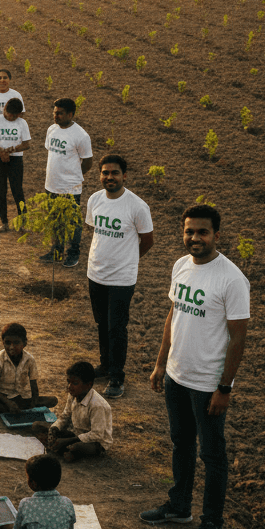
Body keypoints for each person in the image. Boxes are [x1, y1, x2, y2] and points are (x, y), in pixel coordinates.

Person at [140, 205, 249, 529]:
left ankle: (212, 524)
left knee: (212, 456)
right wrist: (161, 364)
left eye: (202, 232)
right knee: (181, 443)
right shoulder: (181, 266)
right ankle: (179, 506)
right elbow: (174, 315)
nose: (194, 238)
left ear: (217, 235)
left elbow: (238, 339)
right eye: (189, 231)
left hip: (207, 386)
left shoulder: (231, 279)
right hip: (177, 376)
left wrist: (224, 388)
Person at [85, 155, 155, 399]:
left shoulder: (137, 206)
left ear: (125, 176)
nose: (109, 177)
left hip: (122, 279)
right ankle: (105, 365)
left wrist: (128, 261)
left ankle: (116, 376)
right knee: (102, 323)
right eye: (105, 173)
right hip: (95, 273)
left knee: (116, 327)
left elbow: (147, 240)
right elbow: (94, 230)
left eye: (114, 173)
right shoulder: (95, 200)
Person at [43, 98, 93, 268]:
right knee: (55, 220)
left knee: (72, 223)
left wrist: (73, 177)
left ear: (70, 114)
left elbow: (87, 162)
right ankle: (56, 251)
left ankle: (73, 253)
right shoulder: (52, 130)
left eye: (59, 113)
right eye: (54, 112)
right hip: (51, 185)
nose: (55, 116)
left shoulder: (81, 135)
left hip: (70, 188)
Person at [33, 360, 113, 461]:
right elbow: (65, 416)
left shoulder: (97, 406)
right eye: (68, 382)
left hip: (94, 442)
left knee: (77, 447)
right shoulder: (73, 394)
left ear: (88, 385)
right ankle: (63, 450)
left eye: (75, 383)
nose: (69, 386)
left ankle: (65, 450)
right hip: (75, 434)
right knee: (37, 426)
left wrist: (67, 441)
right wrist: (55, 428)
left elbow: (97, 435)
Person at [0, 322, 58, 415]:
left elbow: (33, 385)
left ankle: (17, 410)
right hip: (3, 398)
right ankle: (16, 409)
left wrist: (33, 403)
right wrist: (9, 403)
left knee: (53, 400)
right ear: (3, 342)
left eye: (16, 342)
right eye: (7, 343)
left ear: (25, 343)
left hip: (22, 398)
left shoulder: (29, 360)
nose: (12, 347)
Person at [0, 98, 31, 233]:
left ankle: (23, 222)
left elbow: (26, 144)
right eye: (8, 113)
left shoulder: (22, 123)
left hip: (15, 159)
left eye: (13, 116)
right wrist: (1, 152)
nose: (9, 117)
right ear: (5, 108)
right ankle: (4, 222)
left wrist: (12, 150)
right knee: (1, 191)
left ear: (18, 114)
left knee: (17, 191)